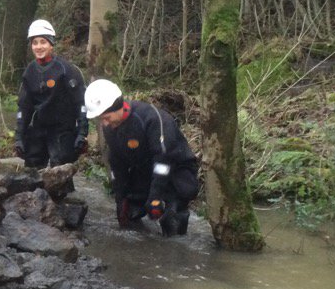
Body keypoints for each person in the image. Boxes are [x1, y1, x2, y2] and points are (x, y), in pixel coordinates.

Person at [84, 78, 199, 236]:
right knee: (129, 214)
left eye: (107, 118)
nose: (104, 124)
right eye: (101, 119)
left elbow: (163, 162)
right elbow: (117, 164)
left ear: (118, 106)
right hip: (144, 170)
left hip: (175, 171)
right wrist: (121, 198)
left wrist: (155, 198)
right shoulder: (110, 127)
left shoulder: (153, 119)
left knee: (171, 221)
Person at [14, 19, 89, 168]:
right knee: (32, 170)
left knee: (61, 170)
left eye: (43, 42)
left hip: (62, 129)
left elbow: (80, 103)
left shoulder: (66, 70)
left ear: (51, 44)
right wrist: (19, 137)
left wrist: (82, 133)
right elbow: (24, 107)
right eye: (35, 43)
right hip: (39, 127)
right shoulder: (29, 72)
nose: (39, 47)